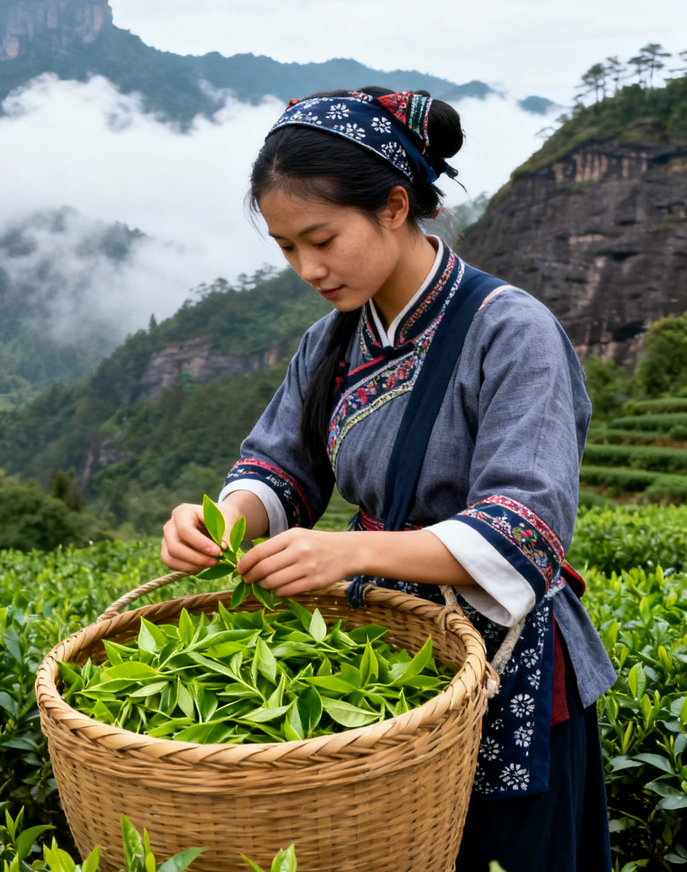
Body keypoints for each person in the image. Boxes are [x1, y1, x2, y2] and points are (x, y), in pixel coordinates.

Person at [160, 88, 617, 872]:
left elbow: (526, 530)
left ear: (395, 207)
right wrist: (224, 520)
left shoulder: (512, 332)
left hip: (514, 678)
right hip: (389, 665)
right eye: (285, 248)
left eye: (321, 238)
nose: (307, 268)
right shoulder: (332, 341)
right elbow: (279, 466)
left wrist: (346, 555)